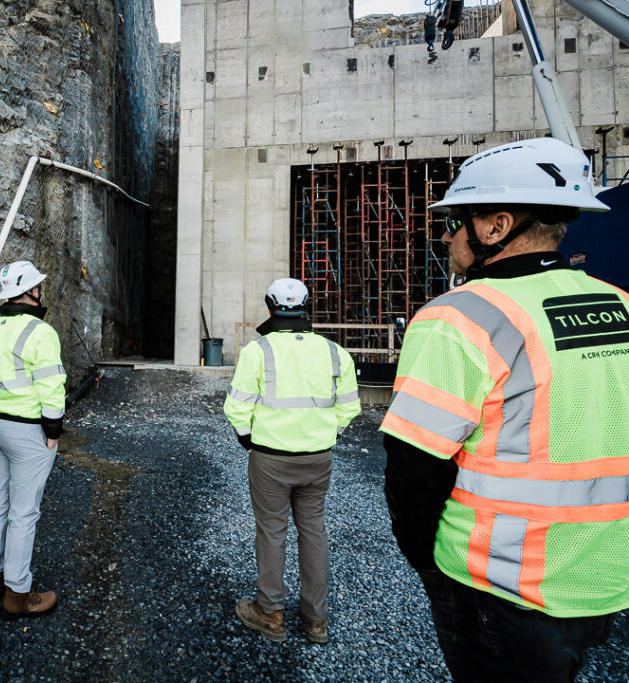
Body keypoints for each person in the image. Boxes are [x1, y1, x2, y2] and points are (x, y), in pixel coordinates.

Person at [381, 137, 629, 683]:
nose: (446, 236)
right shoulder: (618, 304)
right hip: (605, 575)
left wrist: (428, 562)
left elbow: (414, 468)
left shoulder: (459, 317)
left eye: (455, 222)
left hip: (500, 580)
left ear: (496, 226)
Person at [223, 278, 361, 643]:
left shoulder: (258, 351)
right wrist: (328, 436)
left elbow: (236, 407)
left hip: (270, 458)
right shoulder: (335, 352)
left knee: (272, 532)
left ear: (270, 306)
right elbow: (349, 407)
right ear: (306, 306)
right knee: (313, 530)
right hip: (318, 459)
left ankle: (271, 613)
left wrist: (248, 442)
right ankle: (316, 620)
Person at [0, 260, 66, 619]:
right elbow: (51, 384)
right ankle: (18, 594)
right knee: (23, 513)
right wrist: (53, 430)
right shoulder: (40, 331)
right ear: (31, 291)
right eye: (38, 286)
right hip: (28, 431)